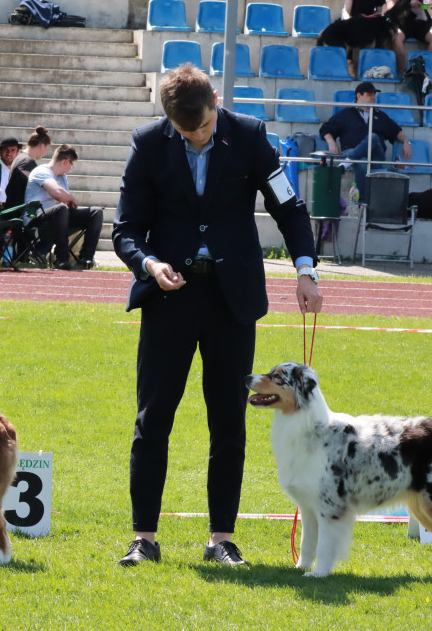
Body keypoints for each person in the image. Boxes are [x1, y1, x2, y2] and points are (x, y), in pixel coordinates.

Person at [112, 64, 322, 567]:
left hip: (233, 300)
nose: (200, 137)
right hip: (169, 299)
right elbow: (125, 230)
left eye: (206, 126)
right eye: (189, 133)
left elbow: (288, 207)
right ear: (169, 121)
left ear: (216, 102)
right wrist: (149, 263)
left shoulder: (250, 136)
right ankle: (144, 538)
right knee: (152, 419)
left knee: (229, 421)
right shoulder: (146, 143)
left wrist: (306, 268)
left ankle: (221, 539)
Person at [319, 81, 413, 203]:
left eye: (374, 95)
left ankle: (345, 164)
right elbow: (325, 129)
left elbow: (397, 132)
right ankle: (362, 203)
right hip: (352, 153)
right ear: (359, 95)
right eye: (370, 95)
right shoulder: (345, 114)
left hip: (375, 157)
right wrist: (331, 141)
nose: (373, 98)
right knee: (361, 161)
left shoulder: (380, 116)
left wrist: (406, 142)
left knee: (373, 137)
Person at [25, 144, 102, 270]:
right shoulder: (41, 171)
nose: (70, 168)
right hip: (36, 216)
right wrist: (71, 198)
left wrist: (68, 200)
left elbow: (64, 199)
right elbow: (58, 194)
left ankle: (86, 258)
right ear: (66, 162)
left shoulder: (62, 177)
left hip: (58, 216)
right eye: (71, 165)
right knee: (61, 208)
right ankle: (61, 258)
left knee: (95, 212)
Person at [342, 0, 407, 71]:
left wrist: (375, 16)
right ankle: (350, 63)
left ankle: (378, 63)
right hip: (355, 21)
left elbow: (379, 12)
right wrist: (350, 21)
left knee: (383, 32)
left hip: (370, 23)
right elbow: (346, 10)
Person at [5, 126, 52, 208]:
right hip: (18, 211)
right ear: (42, 146)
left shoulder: (20, 157)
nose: (46, 152)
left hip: (13, 207)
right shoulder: (27, 161)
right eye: (47, 149)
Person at [0, 137, 22, 204]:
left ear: (17, 152)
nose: (9, 153)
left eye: (13, 150)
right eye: (6, 150)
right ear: (0, 151)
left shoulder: (20, 170)